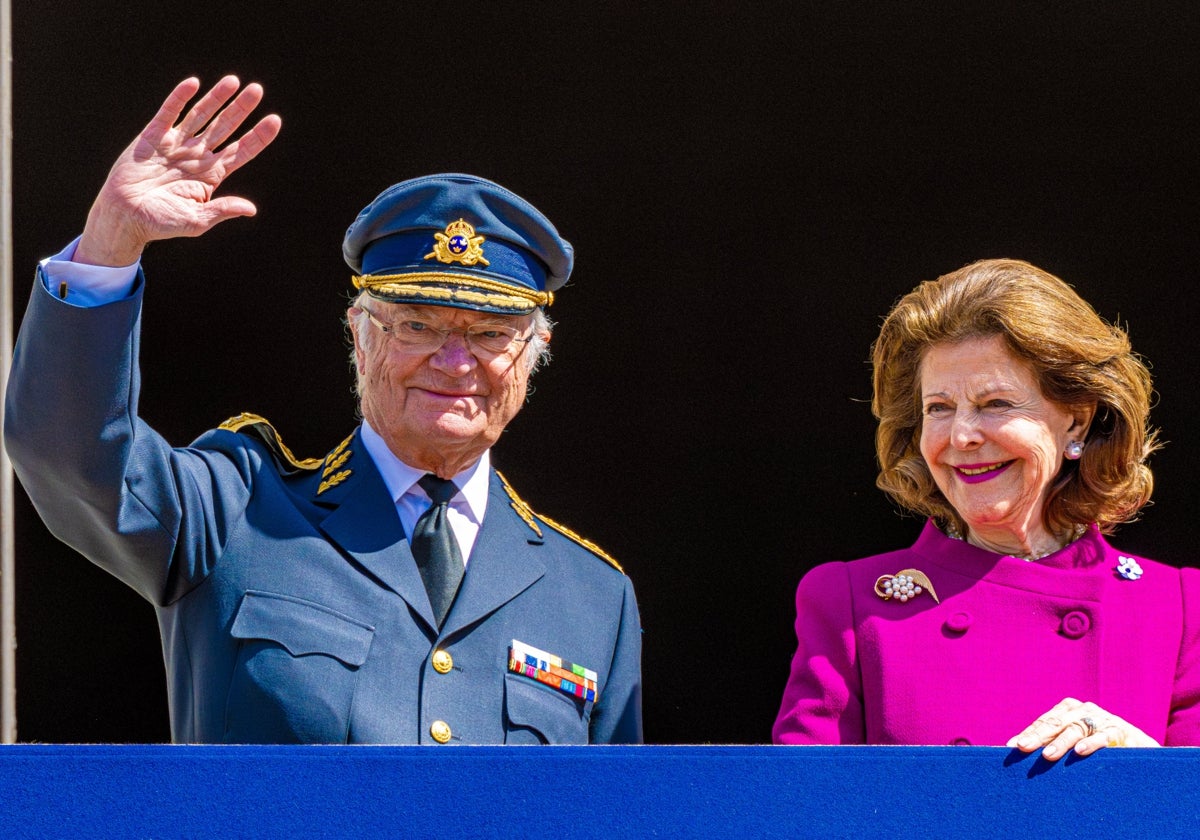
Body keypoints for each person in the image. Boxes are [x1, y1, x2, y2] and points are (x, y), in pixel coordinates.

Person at [4, 76, 642, 745]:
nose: (456, 364)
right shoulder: (238, 511)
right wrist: (111, 241)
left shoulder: (593, 597)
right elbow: (70, 456)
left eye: (489, 335)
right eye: (417, 327)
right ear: (360, 338)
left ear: (535, 353)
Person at [773, 258, 1200, 757]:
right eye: (939, 408)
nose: (961, 436)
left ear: (1077, 422)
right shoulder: (848, 605)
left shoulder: (1180, 608)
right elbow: (804, 810)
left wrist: (1144, 766)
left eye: (995, 404)